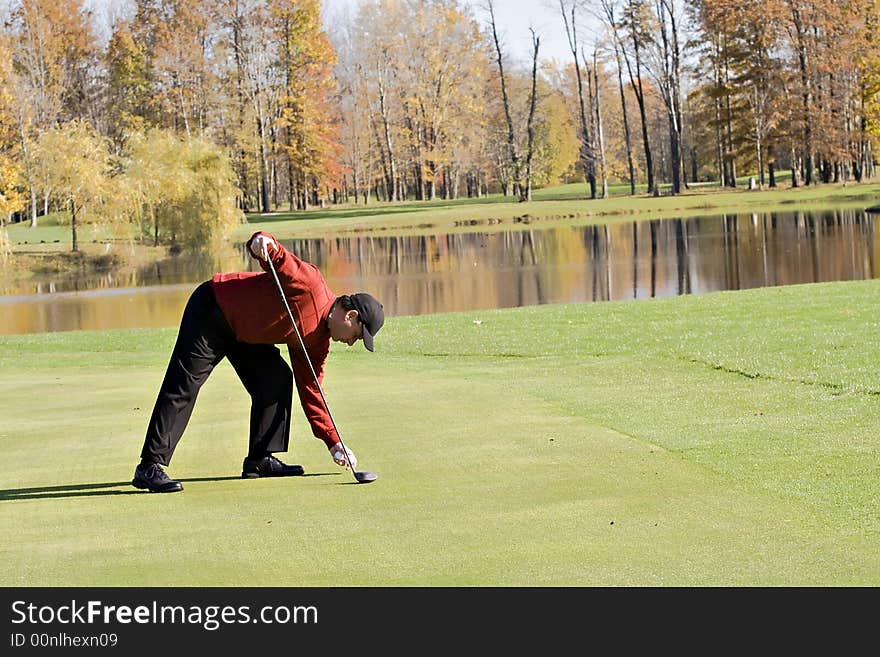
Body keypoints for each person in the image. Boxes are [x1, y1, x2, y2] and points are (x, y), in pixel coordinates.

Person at [132, 231, 385, 493]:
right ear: (350, 315)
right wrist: (263, 242)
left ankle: (260, 459)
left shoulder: (319, 342)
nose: (352, 342)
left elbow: (312, 391)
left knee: (275, 379)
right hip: (213, 309)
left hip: (245, 335)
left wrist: (333, 442)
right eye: (357, 335)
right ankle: (149, 466)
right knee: (184, 385)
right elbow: (278, 257)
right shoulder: (311, 284)